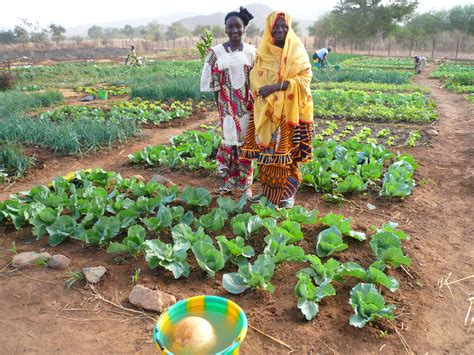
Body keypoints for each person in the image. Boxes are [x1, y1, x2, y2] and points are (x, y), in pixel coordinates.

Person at [241, 11, 313, 208]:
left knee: (287, 157)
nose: (280, 30)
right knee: (266, 157)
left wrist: (275, 88)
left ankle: (287, 195)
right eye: (276, 27)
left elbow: (305, 79)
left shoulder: (296, 51)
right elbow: (255, 80)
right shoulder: (263, 52)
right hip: (266, 113)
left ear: (289, 28)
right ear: (270, 29)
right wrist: (266, 94)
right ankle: (267, 194)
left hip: (288, 114)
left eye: (284, 26)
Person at [200, 7, 256, 197]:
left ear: (244, 28)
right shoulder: (215, 53)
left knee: (245, 145)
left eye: (238, 27)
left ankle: (245, 184)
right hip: (226, 109)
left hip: (247, 108)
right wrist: (220, 108)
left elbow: (256, 81)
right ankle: (230, 181)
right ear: (225, 29)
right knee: (230, 143)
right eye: (230, 27)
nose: (234, 30)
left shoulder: (251, 52)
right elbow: (215, 86)